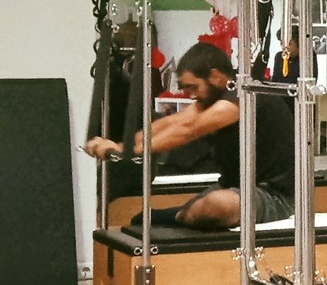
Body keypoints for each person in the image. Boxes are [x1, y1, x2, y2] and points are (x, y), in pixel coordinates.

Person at [85, 42, 295, 228]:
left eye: (193, 87)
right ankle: (183, 215)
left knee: (218, 204)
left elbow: (188, 130)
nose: (190, 95)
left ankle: (178, 216)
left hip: (274, 196)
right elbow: (171, 123)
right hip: (233, 187)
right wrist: (120, 146)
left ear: (215, 76)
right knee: (206, 205)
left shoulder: (242, 97)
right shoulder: (217, 97)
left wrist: (126, 152)